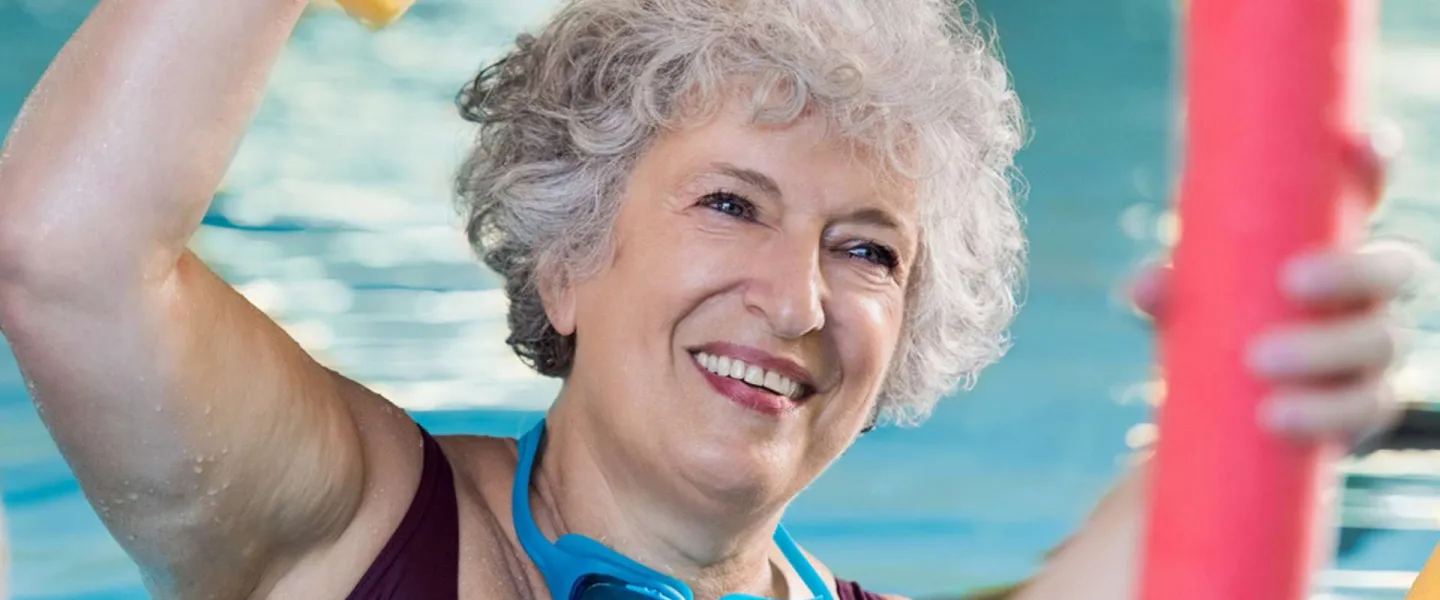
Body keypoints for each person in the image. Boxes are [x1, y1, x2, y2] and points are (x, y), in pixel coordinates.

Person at [0, 0, 1413, 598]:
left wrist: (1290, 386)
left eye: (870, 251)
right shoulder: (359, 530)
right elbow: (68, 258)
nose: (796, 299)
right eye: (732, 203)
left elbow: (1193, 557)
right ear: (567, 251)